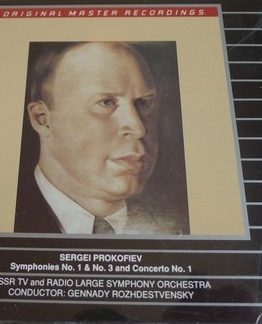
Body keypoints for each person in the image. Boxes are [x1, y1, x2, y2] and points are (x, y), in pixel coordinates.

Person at [14, 41, 186, 235]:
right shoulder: (6, 214)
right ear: (42, 119)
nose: (138, 129)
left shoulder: (171, 229)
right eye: (106, 102)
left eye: (143, 103)